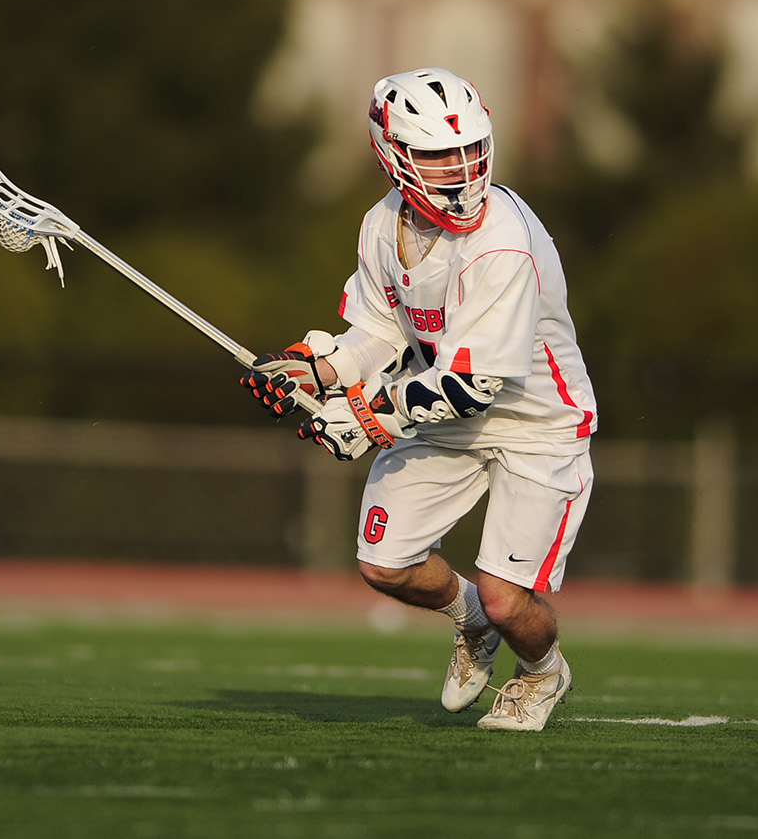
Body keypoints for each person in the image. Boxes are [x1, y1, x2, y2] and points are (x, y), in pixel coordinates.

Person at [241, 67, 597, 732]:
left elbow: (475, 383)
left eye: (469, 149)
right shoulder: (381, 225)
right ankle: (473, 622)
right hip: (440, 409)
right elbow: (379, 332)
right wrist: (316, 370)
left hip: (535, 422)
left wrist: (369, 414)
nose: (460, 169)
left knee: (507, 596)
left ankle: (542, 672)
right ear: (393, 154)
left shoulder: (504, 242)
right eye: (437, 155)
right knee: (385, 565)